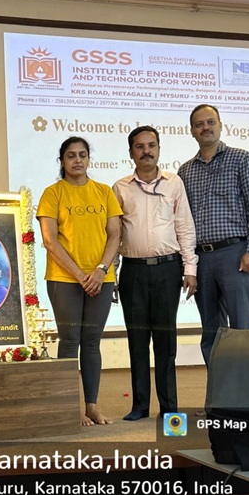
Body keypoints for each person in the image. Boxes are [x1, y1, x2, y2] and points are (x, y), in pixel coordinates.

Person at [36, 136, 122, 426]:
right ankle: (70, 407)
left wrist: (99, 271)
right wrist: (79, 275)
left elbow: (115, 235)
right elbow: (50, 241)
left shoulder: (104, 192)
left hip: (101, 277)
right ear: (61, 161)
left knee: (92, 342)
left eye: (82, 155)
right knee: (70, 341)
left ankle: (92, 407)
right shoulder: (53, 193)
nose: (77, 160)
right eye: (70, 155)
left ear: (89, 159)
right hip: (65, 279)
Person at [114, 126, 198, 421]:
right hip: (133, 273)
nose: (146, 151)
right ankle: (139, 406)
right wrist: (111, 273)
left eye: (151, 145)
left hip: (167, 270)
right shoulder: (120, 187)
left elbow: (185, 227)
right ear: (131, 153)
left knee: (165, 342)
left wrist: (190, 269)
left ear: (159, 149)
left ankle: (169, 408)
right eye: (139, 146)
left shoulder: (174, 183)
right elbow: (114, 234)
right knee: (137, 341)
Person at [177, 104, 249, 366]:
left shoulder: (242, 159)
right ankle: (219, 397)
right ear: (192, 131)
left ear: (220, 124)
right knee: (211, 332)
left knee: (244, 329)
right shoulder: (185, 171)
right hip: (202, 260)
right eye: (199, 124)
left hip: (236, 254)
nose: (205, 127)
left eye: (210, 122)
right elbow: (183, 221)